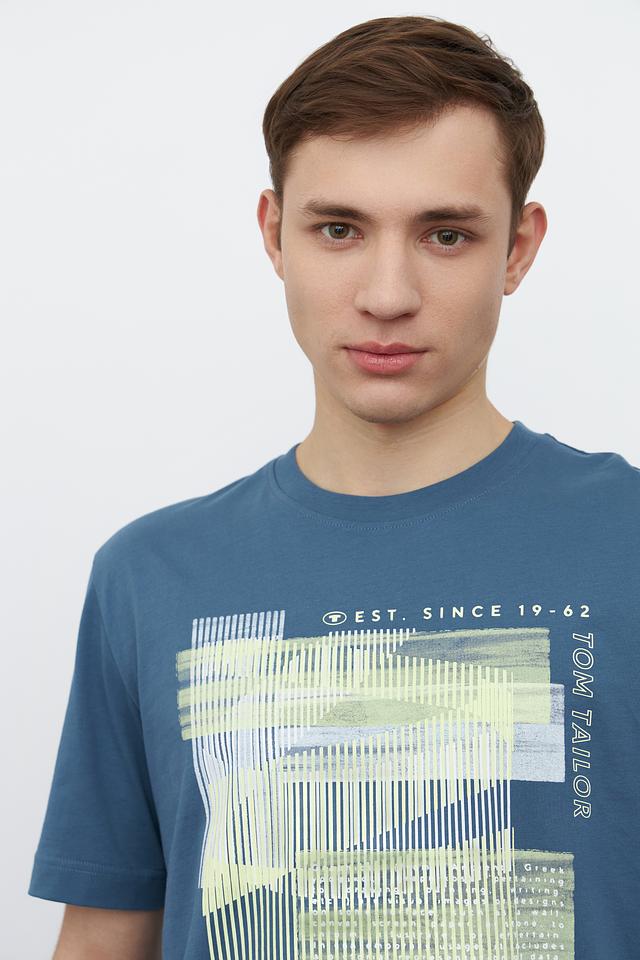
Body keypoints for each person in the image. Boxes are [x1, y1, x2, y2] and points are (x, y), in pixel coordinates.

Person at [28, 14, 640, 960]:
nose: (387, 294)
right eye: (340, 229)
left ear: (518, 248)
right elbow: (105, 940)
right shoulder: (148, 577)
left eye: (446, 234)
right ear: (275, 234)